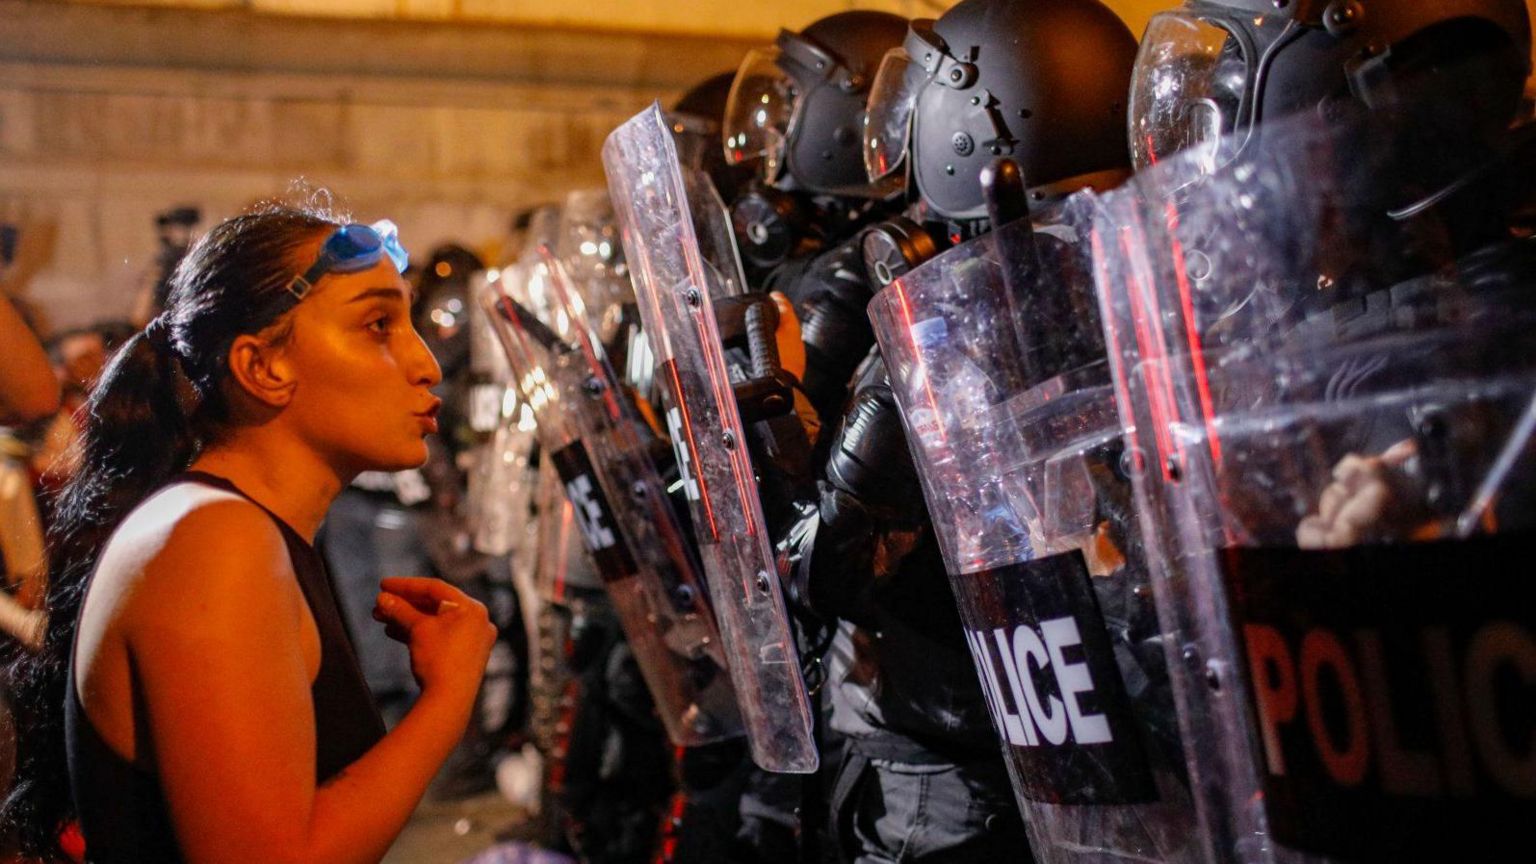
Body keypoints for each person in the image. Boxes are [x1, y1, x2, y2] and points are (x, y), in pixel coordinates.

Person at [1, 200, 498, 863]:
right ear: (263, 367)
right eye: (378, 324)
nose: (426, 364)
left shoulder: (235, 530)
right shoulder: (212, 542)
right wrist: (448, 699)